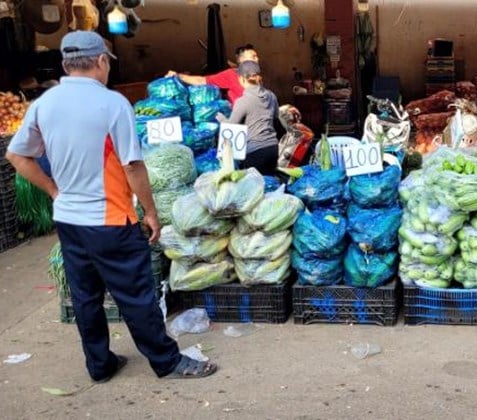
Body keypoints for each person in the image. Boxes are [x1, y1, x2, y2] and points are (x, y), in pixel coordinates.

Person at [5, 31, 217, 382]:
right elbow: (133, 165)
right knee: (136, 296)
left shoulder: (44, 103)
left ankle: (99, 365)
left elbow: (17, 155)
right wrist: (150, 211)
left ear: (64, 65)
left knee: (85, 297)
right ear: (102, 61)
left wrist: (54, 191)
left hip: (70, 222)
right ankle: (166, 362)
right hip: (110, 219)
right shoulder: (112, 103)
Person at [216, 60, 279, 175]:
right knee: (271, 185)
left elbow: (231, 126)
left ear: (242, 79)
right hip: (273, 148)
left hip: (255, 151)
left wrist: (221, 118)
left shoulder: (243, 101)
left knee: (257, 188)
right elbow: (275, 117)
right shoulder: (271, 95)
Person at [165, 44, 258, 104]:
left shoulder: (257, 77)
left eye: (257, 56)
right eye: (253, 57)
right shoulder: (231, 74)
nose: (257, 59)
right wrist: (178, 76)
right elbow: (202, 81)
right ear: (240, 60)